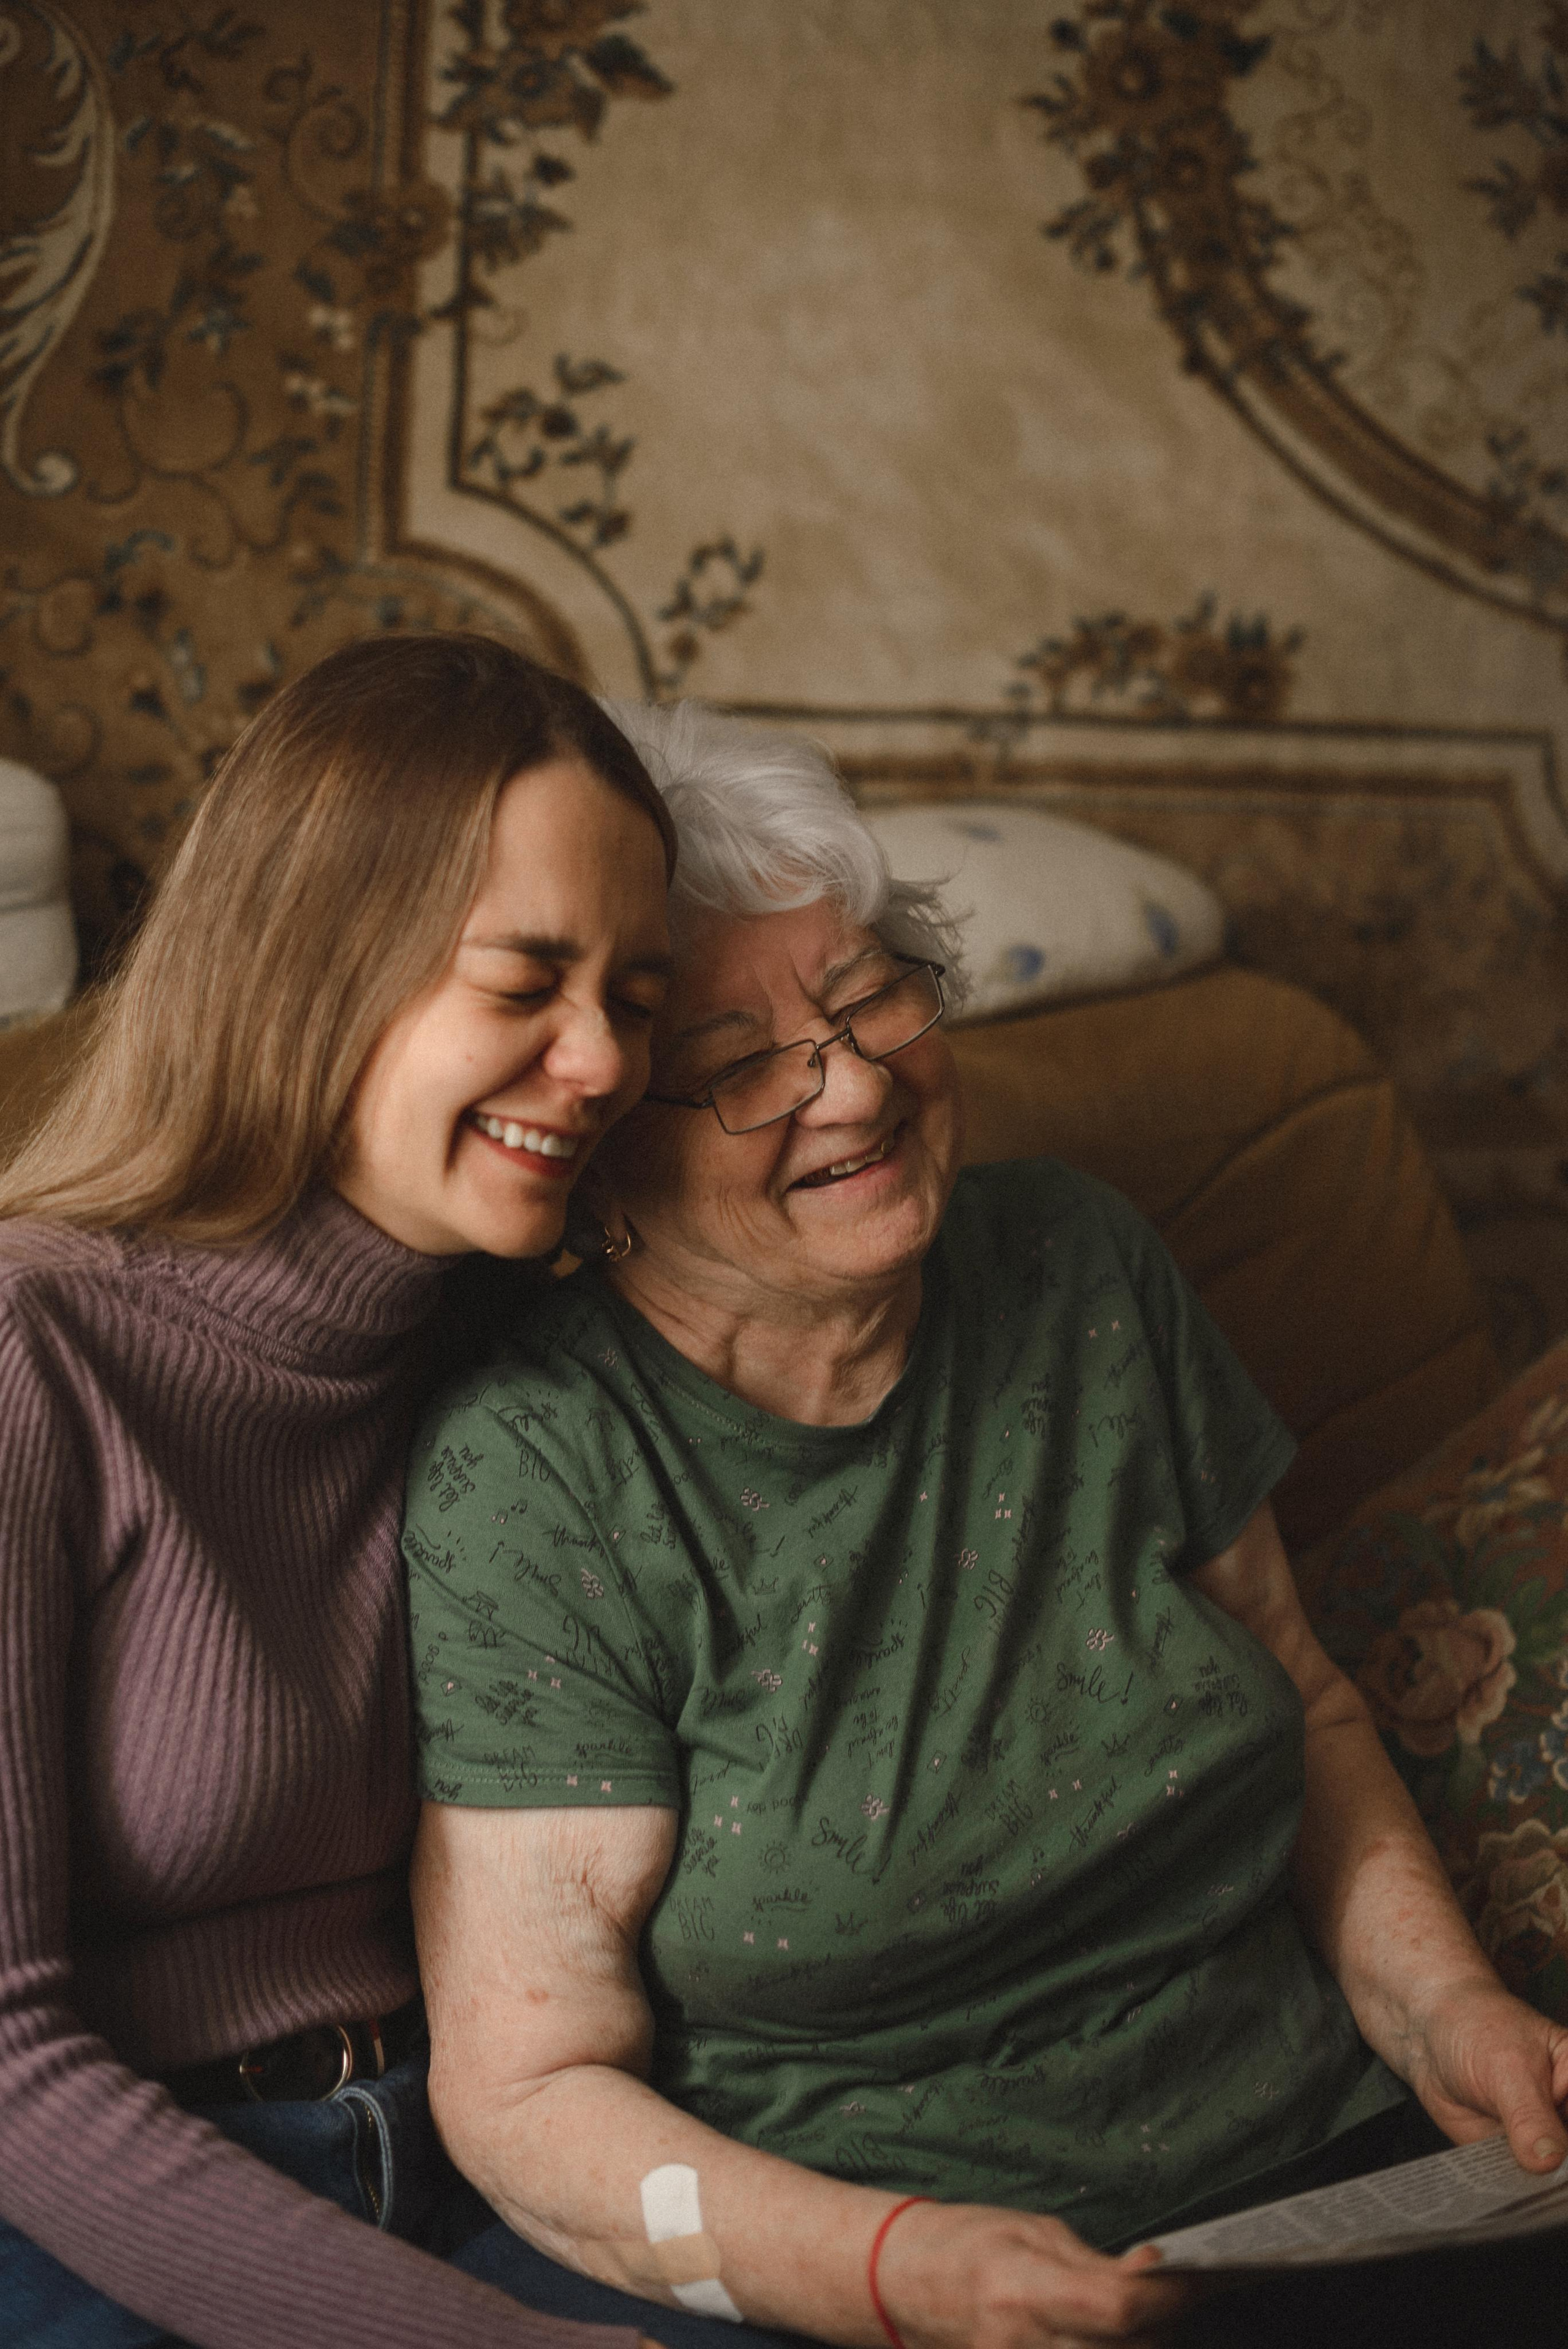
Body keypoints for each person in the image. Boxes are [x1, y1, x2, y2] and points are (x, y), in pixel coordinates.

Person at [403, 700, 1568, 2349]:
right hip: (888, 2265)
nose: (858, 1085)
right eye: (742, 1070)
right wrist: (890, 2265)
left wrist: (1447, 2006)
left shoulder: (1084, 1264)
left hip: (1327, 2174)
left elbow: (1303, 1699)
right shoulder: (543, 1475)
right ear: (602, 1157)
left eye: (870, 990)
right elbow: (528, 2090)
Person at [0, 633, 680, 2349]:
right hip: (98, 2218)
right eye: (526, 982)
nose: (599, 1058)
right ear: (316, 968)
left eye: (637, 995)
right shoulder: (35, 1347)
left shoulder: (531, 1353)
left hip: (477, 2159)